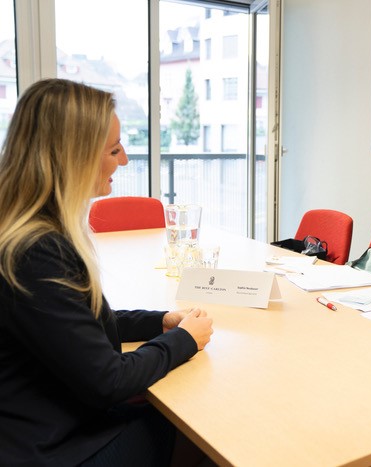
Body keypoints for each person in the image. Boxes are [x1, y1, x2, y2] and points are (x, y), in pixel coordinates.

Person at [0, 79, 214, 466]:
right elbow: (109, 381)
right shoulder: (36, 252)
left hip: (41, 424)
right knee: (198, 423)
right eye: (114, 150)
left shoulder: (25, 234)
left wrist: (160, 321)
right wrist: (183, 341)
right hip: (53, 449)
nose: (125, 160)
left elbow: (75, 328)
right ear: (73, 156)